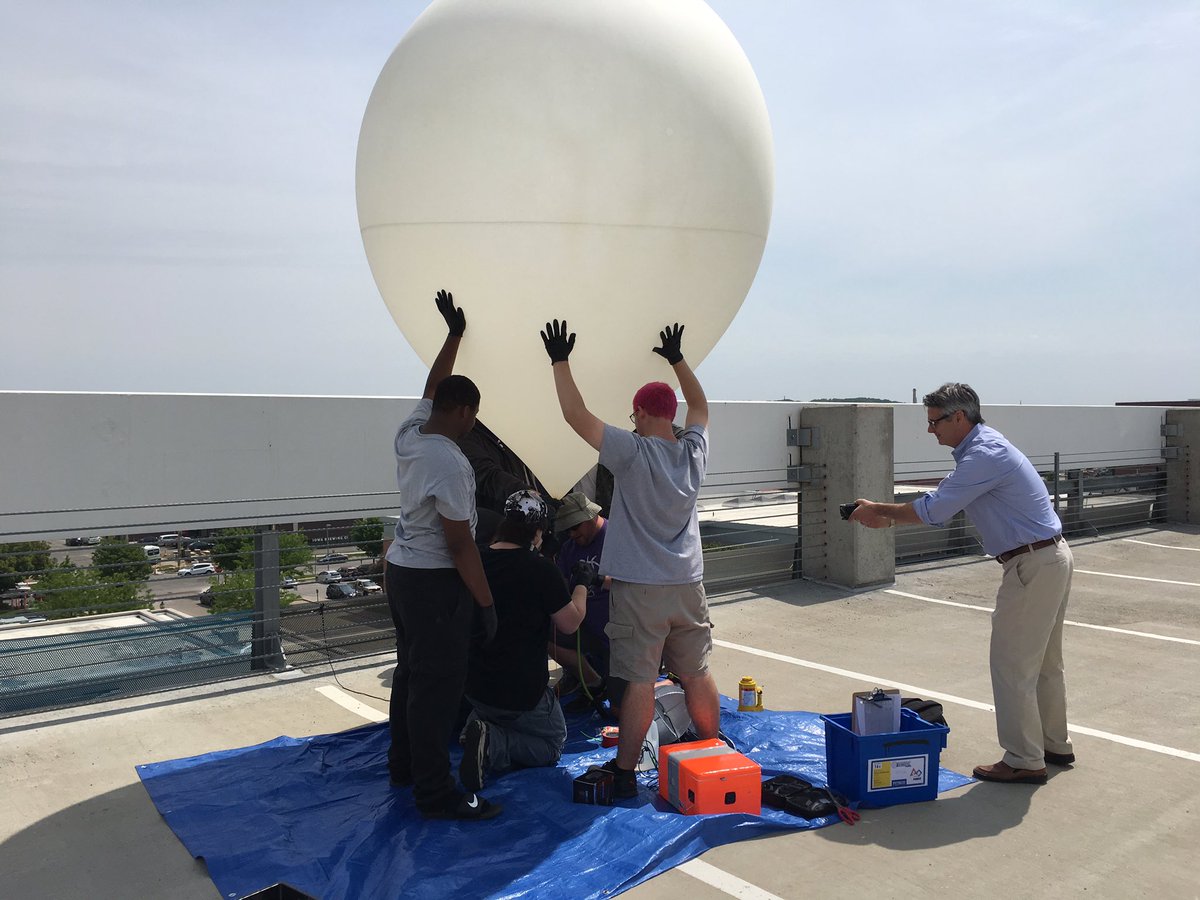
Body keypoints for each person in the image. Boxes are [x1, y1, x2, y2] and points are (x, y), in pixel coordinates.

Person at [850, 383, 1074, 785]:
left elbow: (935, 508)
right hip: (1048, 557)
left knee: (1012, 666)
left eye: (935, 422)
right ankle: (1053, 743)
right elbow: (946, 502)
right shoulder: (983, 449)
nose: (931, 430)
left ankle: (1025, 758)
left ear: (959, 417)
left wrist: (878, 509)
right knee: (1043, 664)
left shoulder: (984, 455)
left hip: (1031, 564)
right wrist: (891, 516)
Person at [540, 318, 719, 798]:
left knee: (640, 680)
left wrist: (560, 361)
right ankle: (710, 751)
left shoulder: (632, 452)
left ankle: (623, 774)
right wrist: (679, 358)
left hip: (640, 588)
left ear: (641, 412)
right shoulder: (693, 452)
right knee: (697, 671)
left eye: (635, 413)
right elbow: (700, 406)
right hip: (689, 583)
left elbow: (576, 416)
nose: (633, 419)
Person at [384, 289, 502, 821]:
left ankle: (403, 764)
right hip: (435, 585)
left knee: (411, 673)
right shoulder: (450, 463)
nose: (475, 422)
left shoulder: (410, 433)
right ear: (464, 411)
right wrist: (484, 603)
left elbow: (431, 385)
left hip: (402, 575)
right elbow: (459, 545)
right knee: (437, 689)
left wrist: (453, 334)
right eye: (474, 413)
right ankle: (435, 792)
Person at [459, 489, 592, 792]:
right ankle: (494, 742)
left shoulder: (477, 560)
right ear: (537, 531)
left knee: (496, 705)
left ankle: (475, 729)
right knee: (553, 743)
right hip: (521, 693)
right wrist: (581, 585)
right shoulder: (540, 568)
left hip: (475, 686)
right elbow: (570, 623)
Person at [550, 491, 626, 715]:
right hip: (584, 625)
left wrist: (598, 579)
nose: (572, 534)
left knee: (619, 710)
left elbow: (633, 583)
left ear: (591, 518)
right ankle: (591, 682)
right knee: (547, 632)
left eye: (575, 527)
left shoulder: (617, 538)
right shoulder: (569, 547)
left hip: (619, 628)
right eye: (567, 530)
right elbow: (562, 585)